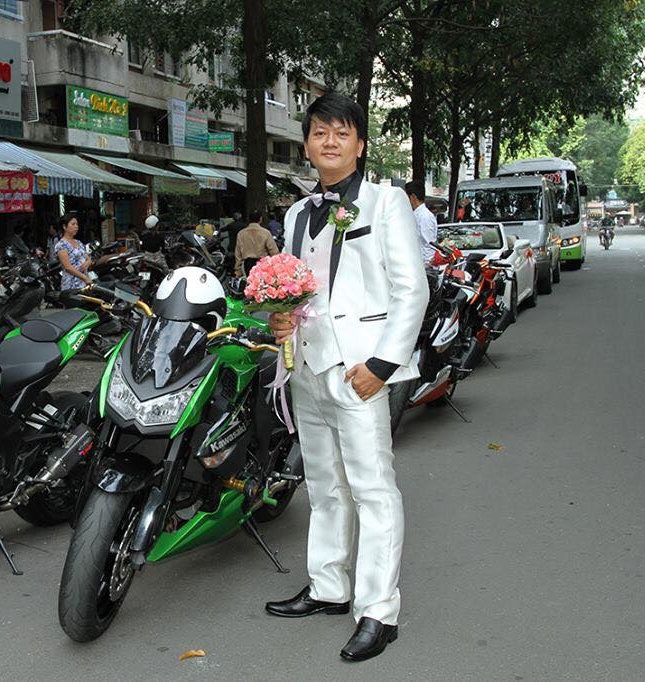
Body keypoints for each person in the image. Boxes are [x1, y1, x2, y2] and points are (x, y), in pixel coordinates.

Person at [266, 93, 428, 662]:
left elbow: (412, 289)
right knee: (324, 485)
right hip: (307, 367)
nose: (329, 141)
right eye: (319, 132)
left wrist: (383, 366)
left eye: (341, 132)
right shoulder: (296, 214)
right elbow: (298, 290)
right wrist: (281, 318)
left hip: (360, 370)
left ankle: (379, 611)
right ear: (307, 144)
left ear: (360, 144)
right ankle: (329, 586)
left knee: (372, 489)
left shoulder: (386, 203)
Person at [234, 209, 279, 276]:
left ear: (249, 219)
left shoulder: (241, 233)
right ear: (260, 219)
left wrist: (238, 270)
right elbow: (274, 251)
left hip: (247, 265)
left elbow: (238, 254)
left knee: (250, 281)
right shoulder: (265, 233)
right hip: (262, 264)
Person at [54, 213, 93, 289]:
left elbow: (88, 258)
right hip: (71, 284)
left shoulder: (79, 242)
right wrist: (85, 278)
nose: (76, 226)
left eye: (77, 224)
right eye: (73, 224)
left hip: (84, 282)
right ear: (64, 227)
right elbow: (68, 267)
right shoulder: (61, 245)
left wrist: (88, 262)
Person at [404, 181, 438, 263]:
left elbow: (428, 244)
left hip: (423, 264)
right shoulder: (416, 214)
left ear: (412, 197)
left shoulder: (424, 217)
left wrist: (426, 264)